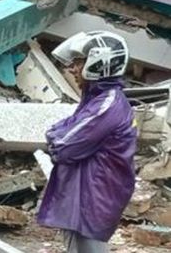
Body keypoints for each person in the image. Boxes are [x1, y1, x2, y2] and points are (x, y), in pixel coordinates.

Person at [37, 31, 137, 253]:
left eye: (79, 62)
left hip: (95, 198)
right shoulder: (96, 99)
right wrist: (56, 136)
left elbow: (62, 145)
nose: (72, 68)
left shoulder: (107, 105)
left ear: (98, 63)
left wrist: (55, 138)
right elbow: (63, 131)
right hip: (88, 196)